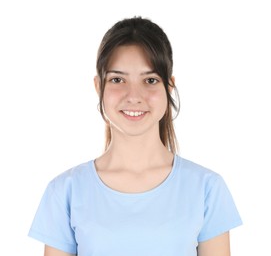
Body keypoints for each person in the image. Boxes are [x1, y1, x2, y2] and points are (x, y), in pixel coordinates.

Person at [28, 16, 242, 256]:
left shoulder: (207, 188)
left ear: (169, 87)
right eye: (118, 79)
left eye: (150, 80)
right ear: (99, 87)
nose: (134, 96)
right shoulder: (65, 191)